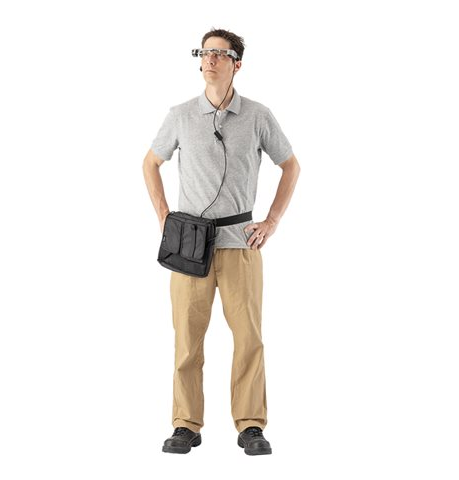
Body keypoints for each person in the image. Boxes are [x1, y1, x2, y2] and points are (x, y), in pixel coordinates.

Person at [142, 28, 300, 456]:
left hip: (239, 243)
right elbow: (151, 163)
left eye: (220, 53)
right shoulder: (180, 115)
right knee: (187, 340)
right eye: (204, 52)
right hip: (188, 245)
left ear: (237, 64)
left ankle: (251, 425)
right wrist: (163, 215)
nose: (209, 59)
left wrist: (272, 221)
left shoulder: (258, 116)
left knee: (249, 338)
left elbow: (290, 165)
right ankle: (185, 424)